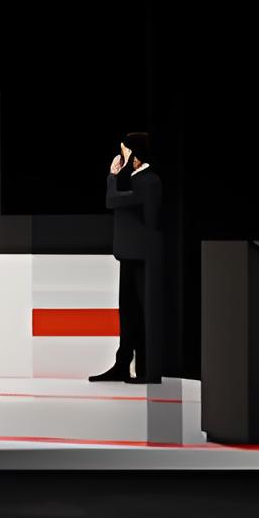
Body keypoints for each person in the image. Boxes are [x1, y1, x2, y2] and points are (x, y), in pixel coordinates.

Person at [91, 133, 173, 382]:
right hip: (129, 253)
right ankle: (123, 362)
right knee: (128, 313)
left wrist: (112, 176)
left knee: (144, 312)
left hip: (144, 256)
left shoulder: (149, 181)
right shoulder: (135, 180)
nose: (122, 155)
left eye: (125, 150)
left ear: (136, 153)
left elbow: (112, 200)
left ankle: (147, 368)